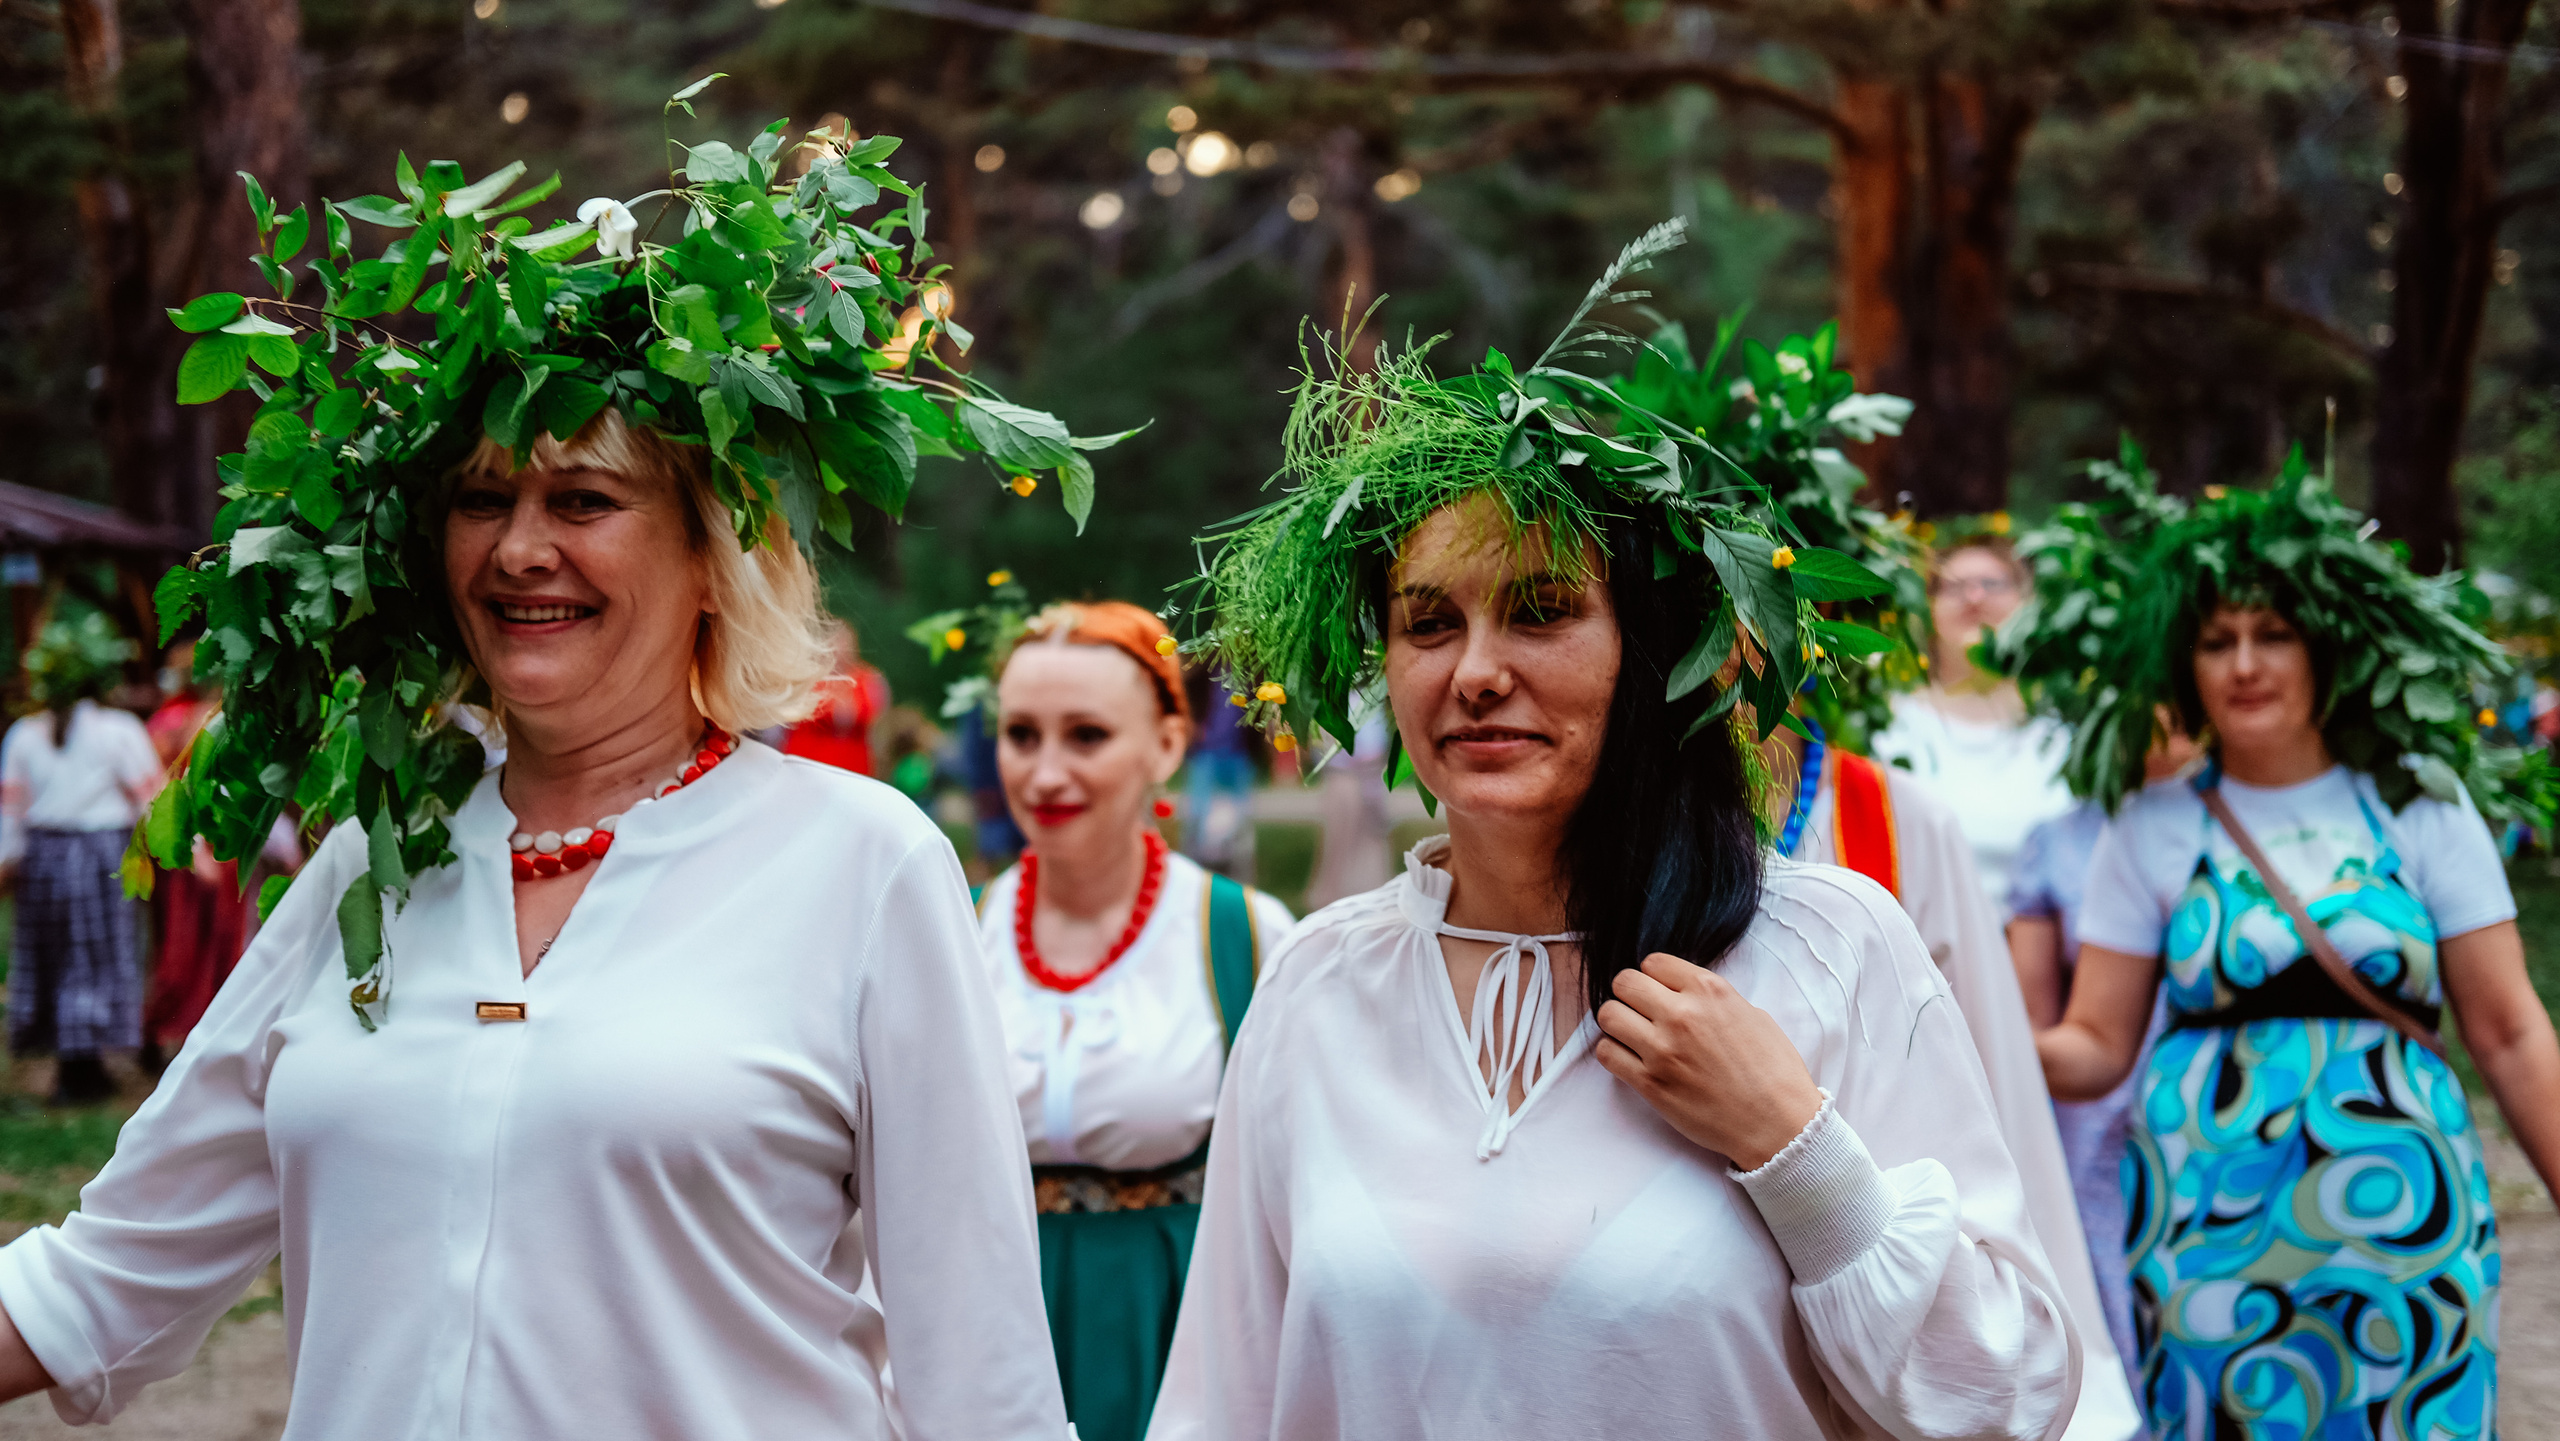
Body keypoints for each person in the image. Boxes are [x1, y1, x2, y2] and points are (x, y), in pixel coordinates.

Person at [0, 114, 1107, 1435]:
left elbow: (978, 1366)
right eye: (481, 498)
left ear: (713, 552)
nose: (520, 549)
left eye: (583, 501)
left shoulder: (864, 864)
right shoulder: (373, 863)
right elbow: (103, 1273)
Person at [1151, 241, 2080, 1441]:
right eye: (1427, 623)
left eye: (1540, 612)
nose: (1476, 672)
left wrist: (1792, 1147)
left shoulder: (1829, 950)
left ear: (1652, 658)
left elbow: (2007, 1399)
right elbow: (1221, 1405)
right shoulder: (1320, 985)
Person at [2029, 467, 2560, 1438]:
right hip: (2205, 1223)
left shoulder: (2419, 807)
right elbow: (2095, 1046)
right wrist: (1965, 1010)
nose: (2242, 664)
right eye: (2215, 640)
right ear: (2180, 663)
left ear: (2328, 650)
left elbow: (2510, 1029)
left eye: (2272, 635)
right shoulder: (2146, 827)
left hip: (2406, 1220)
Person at [977, 601, 1294, 1441]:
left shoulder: (1248, 934)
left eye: (1086, 735)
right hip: (991, 1345)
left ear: (1166, 743)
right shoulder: (954, 933)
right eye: (1020, 734)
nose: (1044, 774)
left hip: (1178, 1335)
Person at [2004, 723, 2199, 1396]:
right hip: (2096, 1136)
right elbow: (2030, 1025)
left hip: (2216, 1124)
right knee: (2119, 1332)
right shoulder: (2059, 841)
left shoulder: (2239, 822)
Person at [0, 612, 162, 1106]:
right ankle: (84, 1070)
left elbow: (11, 812)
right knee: (96, 954)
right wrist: (177, 853)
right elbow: (152, 800)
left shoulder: (25, 733)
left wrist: (8, 862)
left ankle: (79, 1067)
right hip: (101, 853)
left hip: (46, 856)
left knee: (57, 955)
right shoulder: (118, 730)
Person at [1872, 533, 2075, 912]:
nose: (1974, 598)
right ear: (1928, 609)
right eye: (1953, 587)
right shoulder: (1889, 727)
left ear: (2028, 604)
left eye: (1993, 584)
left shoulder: (2062, 737)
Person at [139, 641, 251, 1067]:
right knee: (184, 945)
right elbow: (159, 789)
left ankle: (195, 1031)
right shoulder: (175, 721)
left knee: (215, 942)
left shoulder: (214, 717)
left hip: (217, 847)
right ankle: (170, 1031)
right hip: (194, 847)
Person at [783, 618, 892, 776]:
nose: (840, 648)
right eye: (835, 641)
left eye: (844, 642)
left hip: (852, 767)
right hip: (806, 764)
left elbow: (877, 721)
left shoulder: (869, 680)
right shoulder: (805, 676)